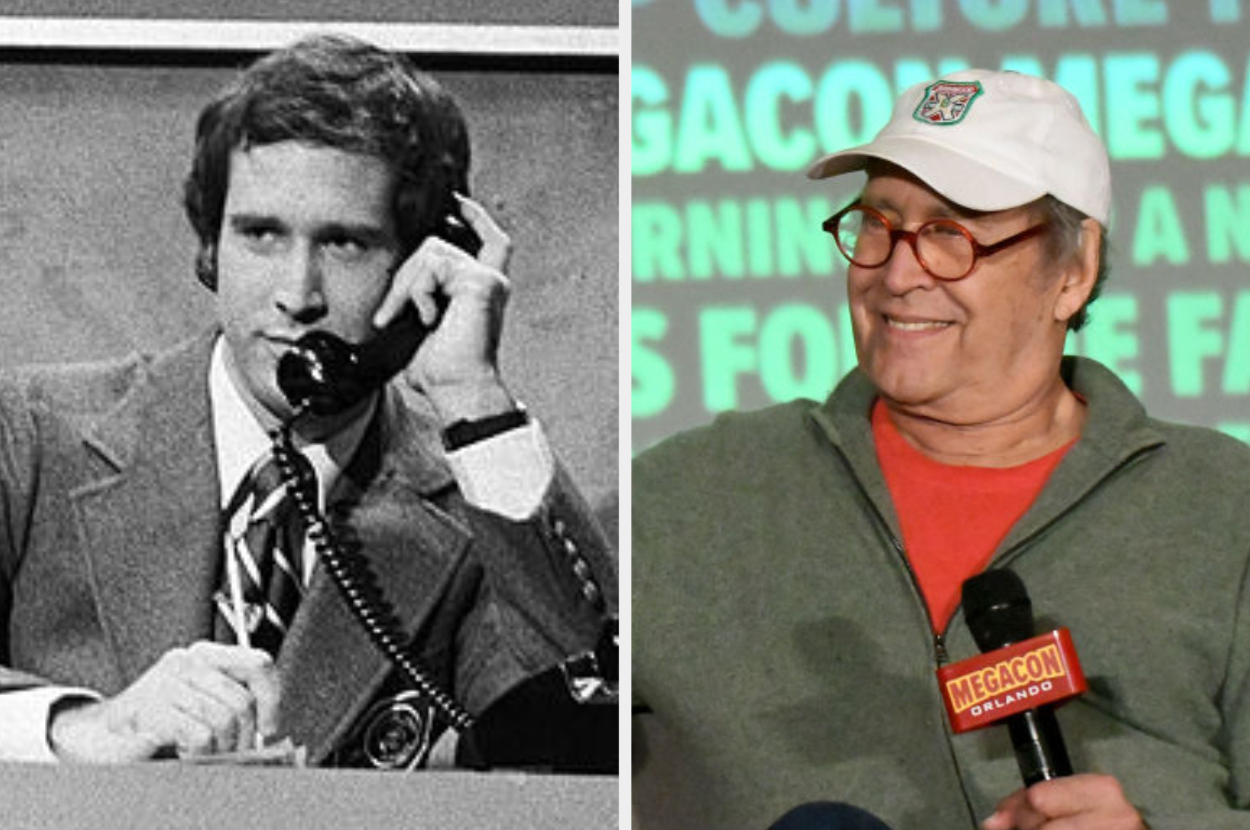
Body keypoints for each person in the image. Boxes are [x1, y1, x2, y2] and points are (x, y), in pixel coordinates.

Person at [633, 69, 1250, 829]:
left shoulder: (1226, 505)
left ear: (1074, 271)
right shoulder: (692, 491)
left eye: (950, 235)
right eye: (877, 225)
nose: (896, 274)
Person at [0, 33, 615, 769]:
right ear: (210, 246)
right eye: (261, 235)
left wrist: (471, 395)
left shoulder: (478, 507)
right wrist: (78, 727)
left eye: (346, 245)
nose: (298, 294)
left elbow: (592, 720)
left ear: (428, 258)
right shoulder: (31, 436)